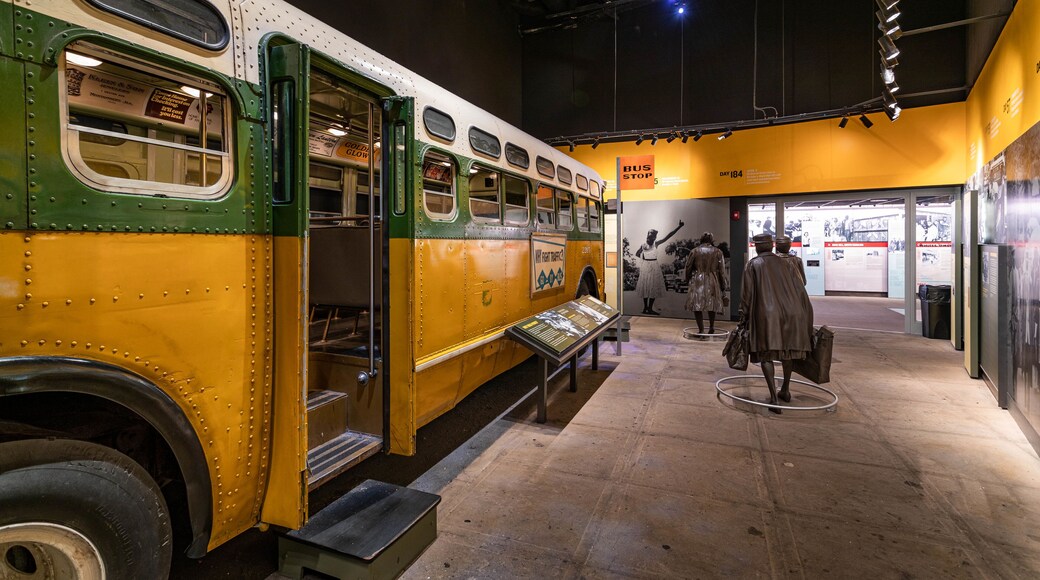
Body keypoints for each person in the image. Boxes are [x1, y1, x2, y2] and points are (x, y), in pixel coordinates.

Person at [739, 234, 815, 412]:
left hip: (767, 314)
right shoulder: (789, 263)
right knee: (787, 352)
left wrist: (743, 316)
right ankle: (785, 390)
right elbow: (801, 288)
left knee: (766, 354)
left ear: (758, 247)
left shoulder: (753, 264)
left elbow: (747, 295)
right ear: (772, 246)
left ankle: (774, 398)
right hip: (792, 313)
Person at [635, 220, 684, 315]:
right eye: (649, 236)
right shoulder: (643, 245)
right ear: (647, 236)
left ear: (654, 237)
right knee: (646, 287)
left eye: (652, 236)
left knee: (653, 287)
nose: (650, 238)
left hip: (654, 265)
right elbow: (637, 254)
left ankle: (649, 308)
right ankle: (646, 308)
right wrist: (645, 258)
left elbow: (668, 236)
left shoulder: (656, 243)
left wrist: (679, 227)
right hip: (646, 265)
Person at [683, 232, 728, 334]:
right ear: (711, 240)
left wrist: (687, 279)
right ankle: (711, 326)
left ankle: (701, 329)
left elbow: (688, 267)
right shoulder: (718, 252)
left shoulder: (694, 251)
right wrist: (723, 285)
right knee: (711, 304)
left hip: (698, 279)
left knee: (697, 305)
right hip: (712, 278)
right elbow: (721, 271)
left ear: (701, 239)